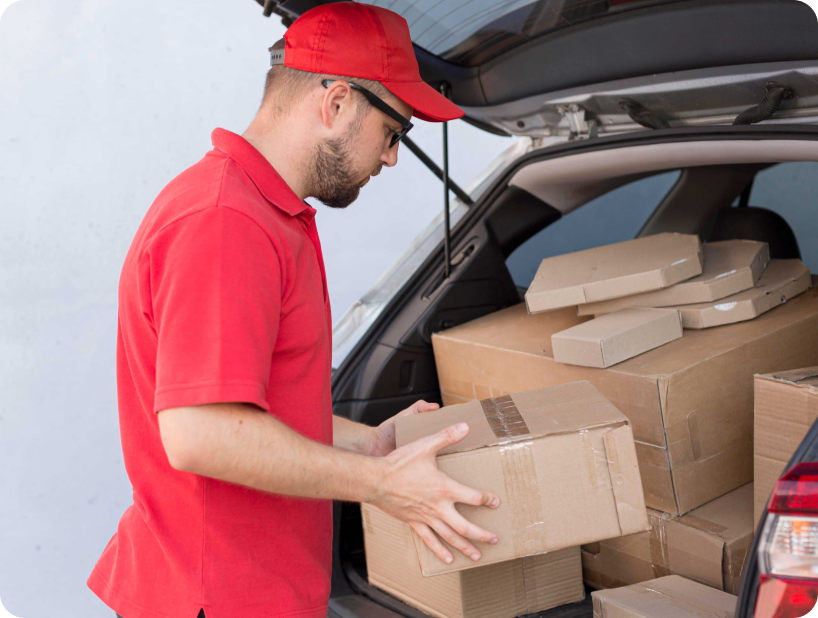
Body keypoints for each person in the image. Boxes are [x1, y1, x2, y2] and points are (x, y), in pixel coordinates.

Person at [87, 3, 500, 618]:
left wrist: (372, 445)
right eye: (394, 132)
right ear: (336, 103)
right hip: (217, 600)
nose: (391, 157)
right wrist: (384, 487)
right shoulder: (226, 222)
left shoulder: (267, 212)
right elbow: (203, 435)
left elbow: (264, 413)